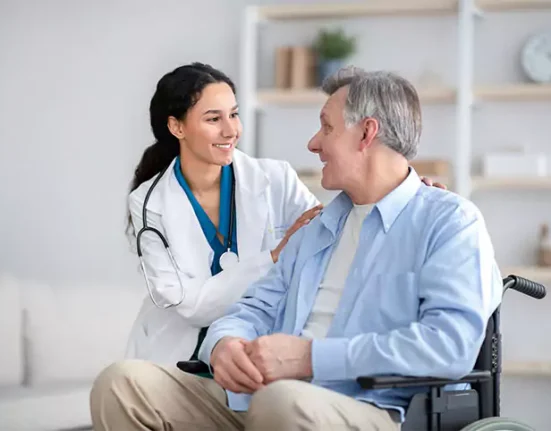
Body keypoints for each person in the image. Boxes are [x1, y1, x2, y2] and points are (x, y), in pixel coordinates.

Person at [90, 67, 466, 430]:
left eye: (326, 127)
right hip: (226, 370)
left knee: (281, 401)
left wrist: (308, 358)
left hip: (352, 397)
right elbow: (240, 304)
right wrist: (223, 344)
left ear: (366, 134)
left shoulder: (444, 220)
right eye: (213, 118)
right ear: (177, 127)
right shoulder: (320, 227)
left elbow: (449, 344)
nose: (312, 143)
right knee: (120, 384)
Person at [124, 62, 443, 366]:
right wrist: (275, 255)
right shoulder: (148, 204)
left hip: (250, 353)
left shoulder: (274, 179)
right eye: (213, 119)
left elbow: (333, 230)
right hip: (175, 352)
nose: (230, 130)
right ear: (176, 126)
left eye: (234, 115)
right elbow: (190, 306)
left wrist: (408, 194)